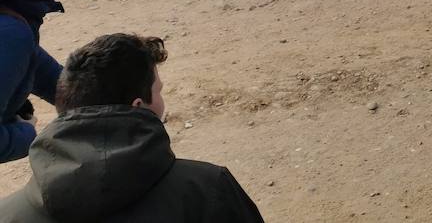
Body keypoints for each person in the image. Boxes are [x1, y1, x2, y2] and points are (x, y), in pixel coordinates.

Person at [0, 33, 265, 221]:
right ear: (137, 106)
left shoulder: (8, 214)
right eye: (159, 91)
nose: (162, 101)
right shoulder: (206, 191)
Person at [0, 0, 72, 164]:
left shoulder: (13, 11)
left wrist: (93, 99)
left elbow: (38, 66)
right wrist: (26, 134)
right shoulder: (11, 31)